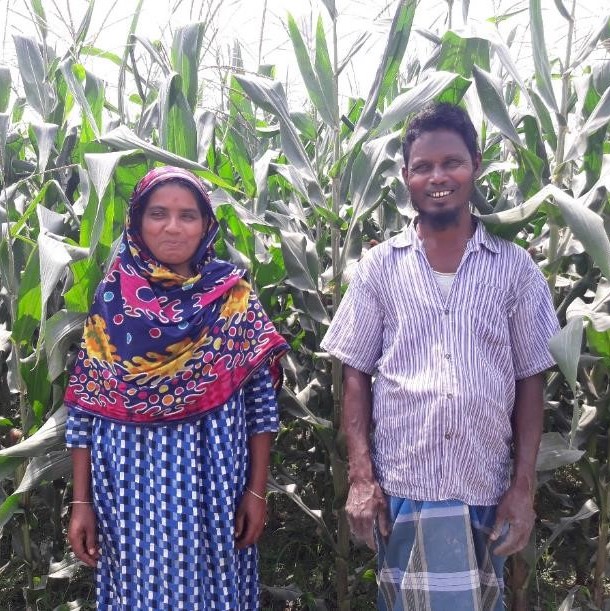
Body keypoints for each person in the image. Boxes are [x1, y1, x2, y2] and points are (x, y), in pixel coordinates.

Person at [321, 102, 559, 610]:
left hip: (484, 489)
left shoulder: (515, 271)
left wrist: (522, 488)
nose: (438, 177)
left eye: (451, 162)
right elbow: (355, 376)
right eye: (423, 167)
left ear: (475, 163)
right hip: (404, 486)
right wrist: (362, 479)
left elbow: (531, 381)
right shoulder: (378, 268)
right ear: (405, 176)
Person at [64, 166, 289, 610]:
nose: (172, 227)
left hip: (215, 487)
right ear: (137, 222)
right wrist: (81, 501)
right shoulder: (113, 300)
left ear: (207, 224)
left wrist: (256, 492)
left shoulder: (234, 298)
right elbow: (84, 410)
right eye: (158, 213)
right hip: (129, 494)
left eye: (188, 215)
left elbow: (262, 408)